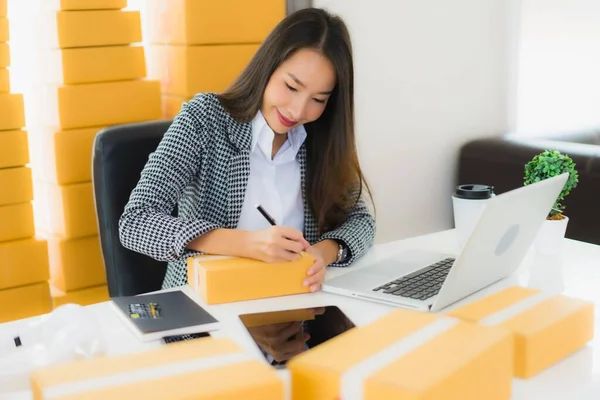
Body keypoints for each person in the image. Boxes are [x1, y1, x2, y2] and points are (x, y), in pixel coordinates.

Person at [118, 7, 376, 293]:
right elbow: (136, 222)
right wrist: (244, 243)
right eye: (291, 87)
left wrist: (324, 253)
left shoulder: (320, 138)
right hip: (207, 307)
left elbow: (361, 220)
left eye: (318, 99)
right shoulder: (203, 120)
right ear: (268, 67)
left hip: (294, 305)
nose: (298, 110)